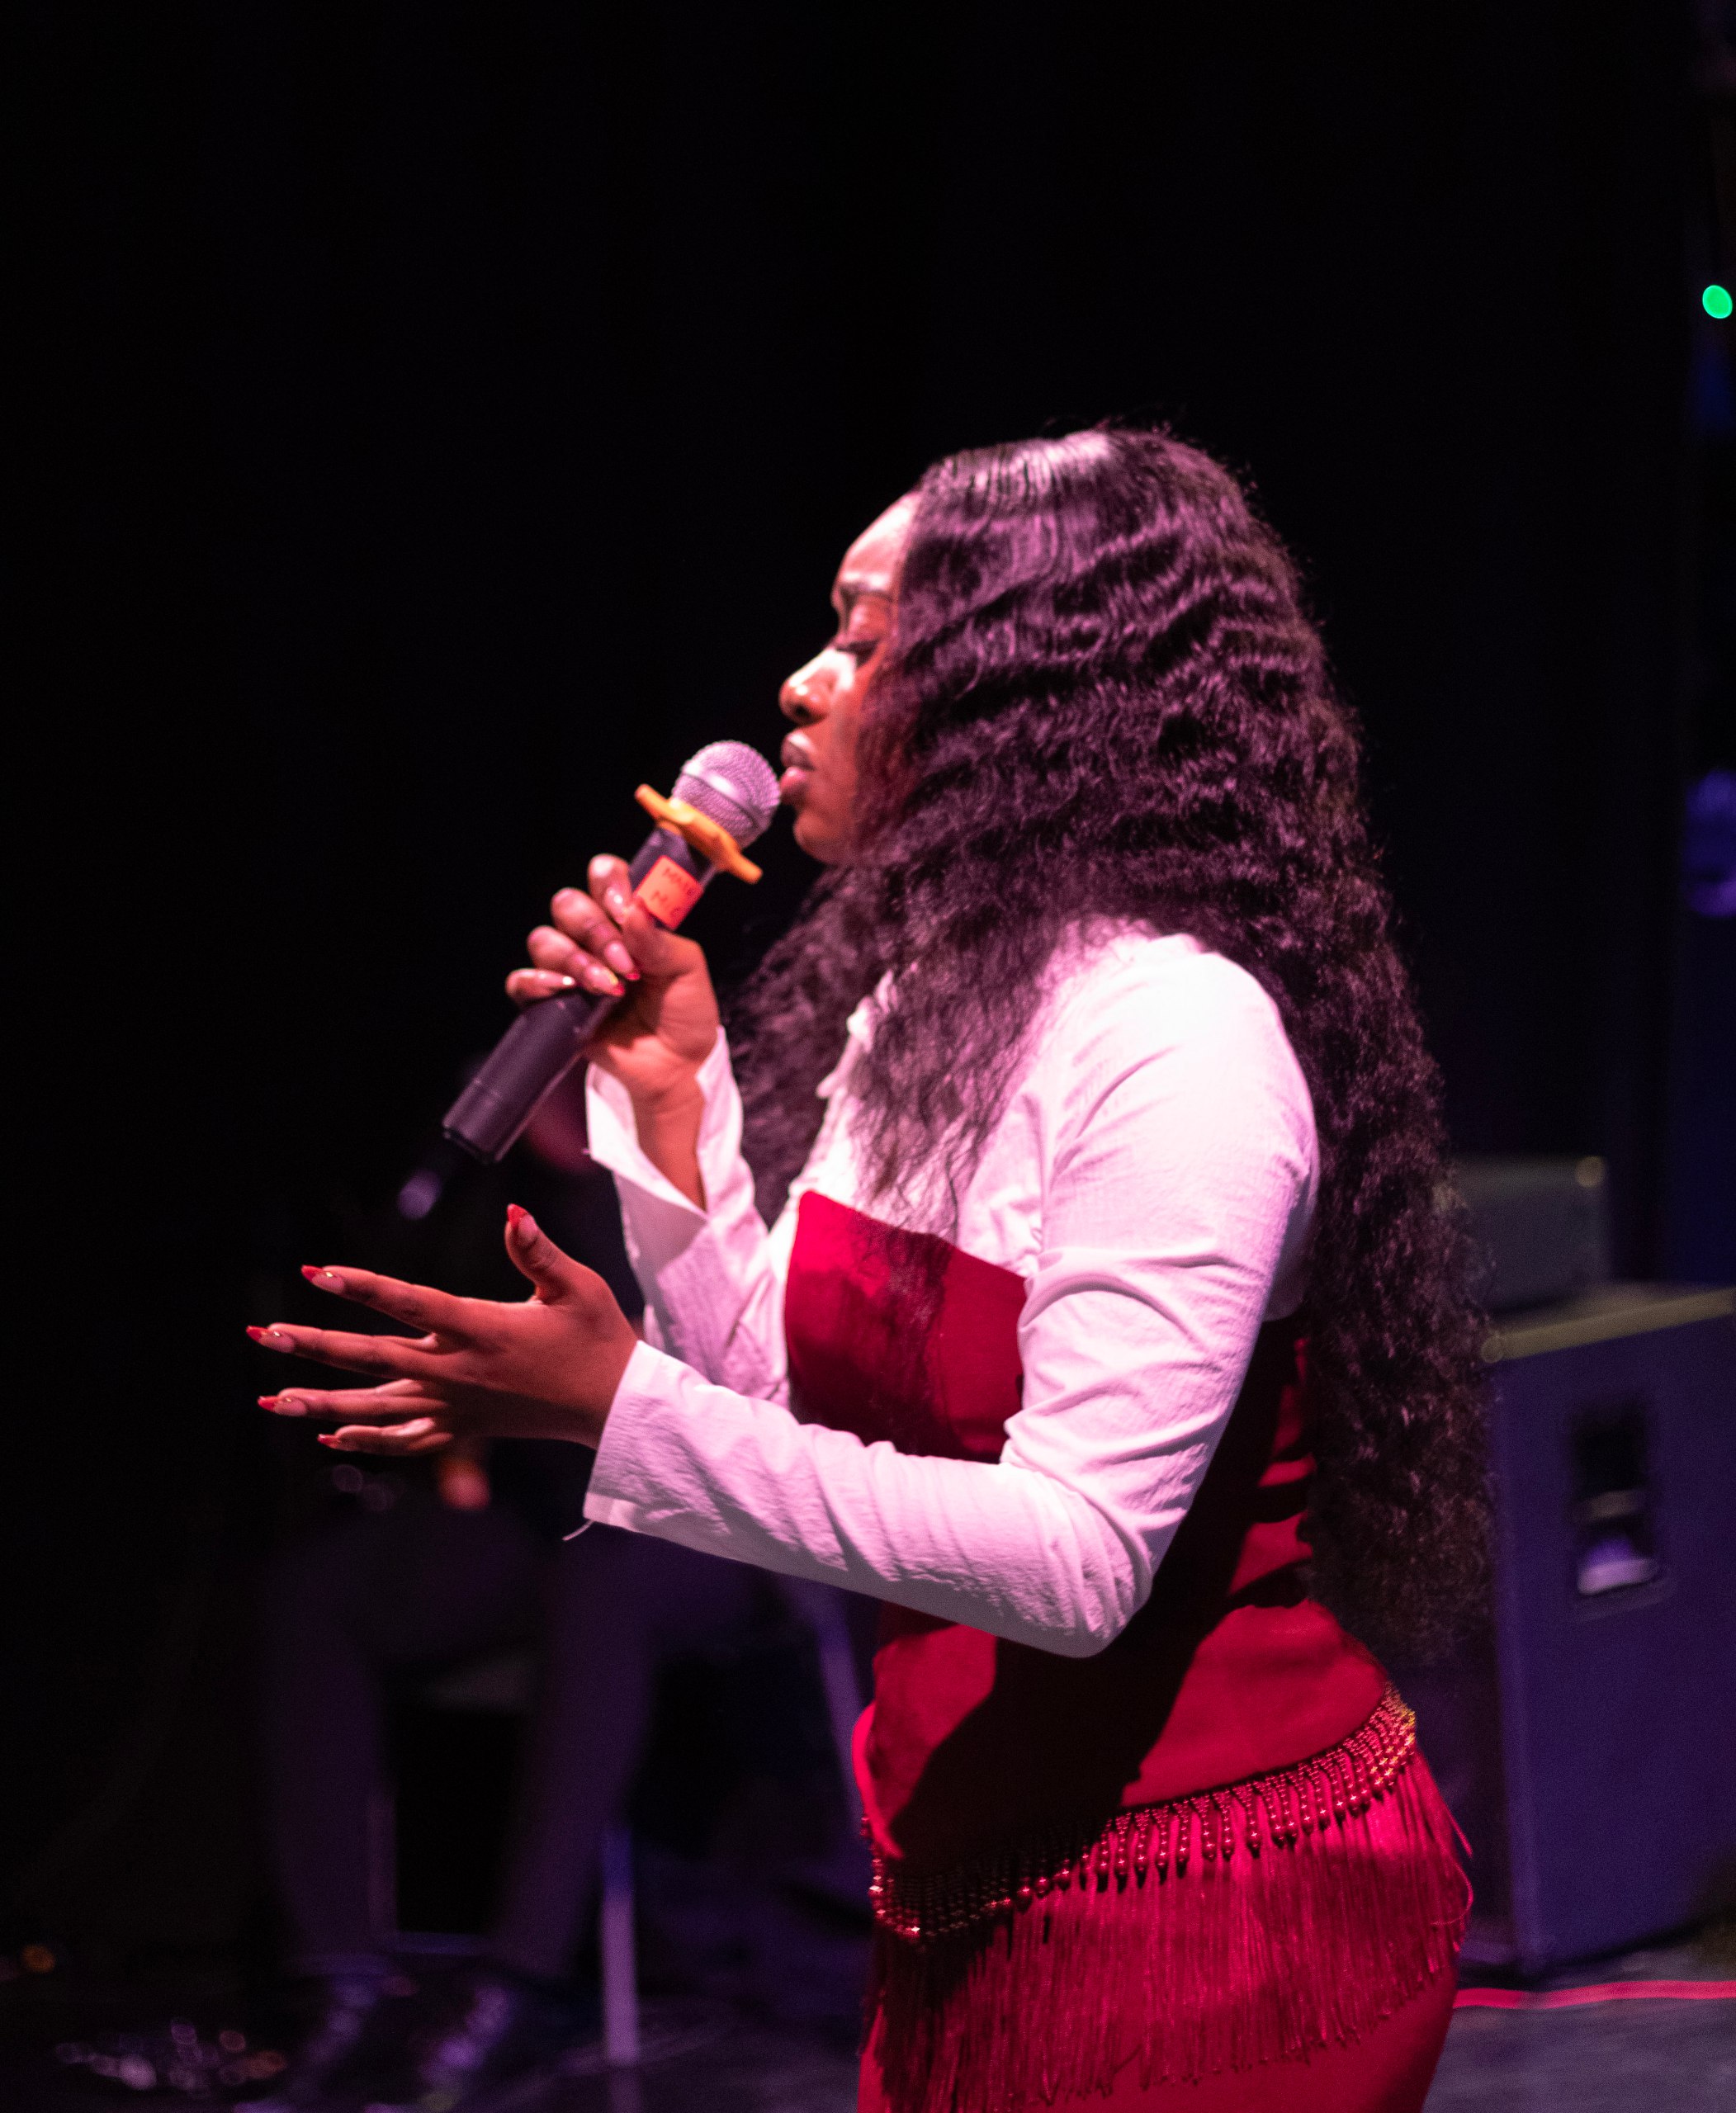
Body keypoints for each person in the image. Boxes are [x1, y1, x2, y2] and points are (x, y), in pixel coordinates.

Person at [251, 426, 1488, 2112]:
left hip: (1211, 1920)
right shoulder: (928, 1000)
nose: (801, 683)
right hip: (973, 1898)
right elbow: (794, 1407)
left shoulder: (1178, 1038)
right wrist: (673, 1101)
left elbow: (1077, 1563)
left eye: (865, 638)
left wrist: (617, 1414)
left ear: (1019, 688)